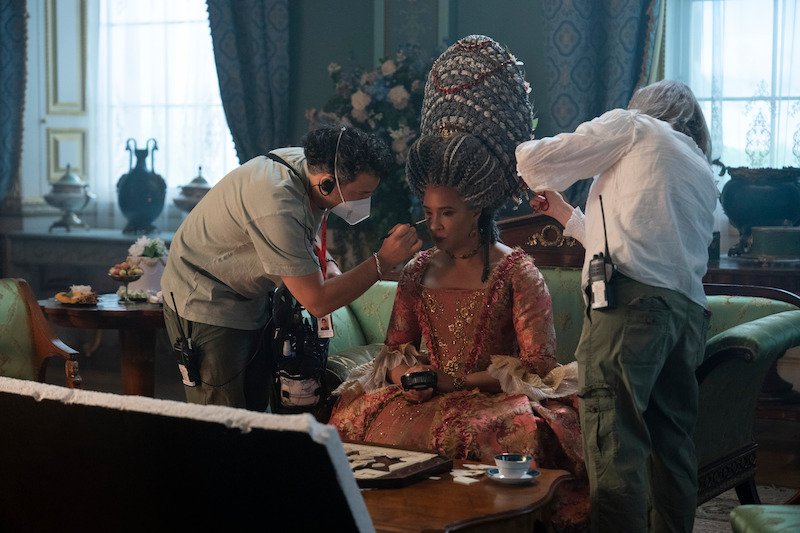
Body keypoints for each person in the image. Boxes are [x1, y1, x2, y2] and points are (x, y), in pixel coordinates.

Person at [329, 33, 584, 482]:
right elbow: (394, 351)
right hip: (425, 395)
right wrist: (406, 377)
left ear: (478, 209)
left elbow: (538, 369)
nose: (436, 225)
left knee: (506, 432)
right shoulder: (416, 269)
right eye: (429, 213)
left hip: (492, 398)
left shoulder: (518, 273)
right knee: (353, 418)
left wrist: (456, 383)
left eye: (447, 213)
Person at [516, 79, 718, 533]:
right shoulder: (700, 169)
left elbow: (536, 161)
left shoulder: (635, 127)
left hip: (631, 309)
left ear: (646, 108)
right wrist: (566, 216)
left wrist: (514, 145)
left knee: (614, 445)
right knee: (672, 449)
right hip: (685, 318)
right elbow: (634, 241)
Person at [161, 125, 422, 410]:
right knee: (222, 416)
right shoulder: (277, 200)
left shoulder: (307, 167)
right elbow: (317, 301)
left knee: (255, 414)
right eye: (360, 193)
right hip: (204, 297)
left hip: (249, 296)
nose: (364, 203)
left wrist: (328, 263)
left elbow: (303, 231)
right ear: (326, 184)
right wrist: (382, 262)